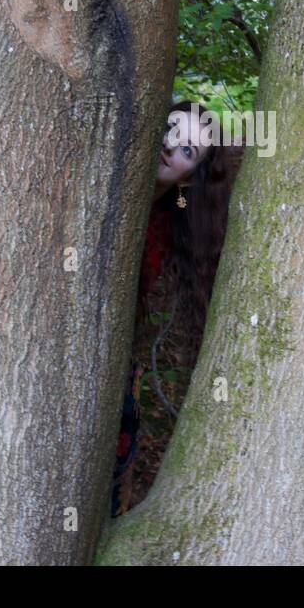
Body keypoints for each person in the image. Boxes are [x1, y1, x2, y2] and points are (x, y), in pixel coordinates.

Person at [110, 100, 238, 516]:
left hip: (112, 373)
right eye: (169, 129)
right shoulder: (102, 175)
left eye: (187, 151)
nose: (170, 147)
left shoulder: (174, 214)